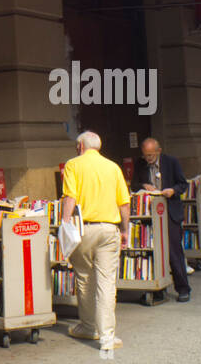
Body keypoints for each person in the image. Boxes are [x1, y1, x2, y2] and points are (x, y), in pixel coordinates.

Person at [60, 131, 130, 352]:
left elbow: (70, 196)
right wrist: (125, 230)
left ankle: (88, 326)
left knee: (83, 278)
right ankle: (107, 336)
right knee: (106, 283)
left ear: (80, 146)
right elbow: (124, 203)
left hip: (84, 230)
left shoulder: (73, 165)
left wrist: (65, 223)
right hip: (109, 229)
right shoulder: (113, 167)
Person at [132, 137, 190, 302]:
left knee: (173, 251)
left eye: (151, 155)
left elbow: (183, 184)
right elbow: (134, 184)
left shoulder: (171, 162)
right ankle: (157, 287)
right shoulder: (140, 163)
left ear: (158, 151)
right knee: (153, 251)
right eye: (146, 155)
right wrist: (144, 186)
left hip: (170, 210)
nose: (148, 159)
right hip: (150, 211)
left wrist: (172, 190)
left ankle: (183, 288)